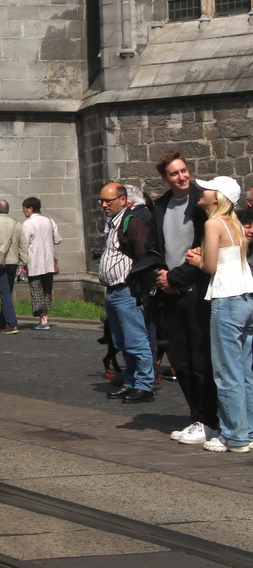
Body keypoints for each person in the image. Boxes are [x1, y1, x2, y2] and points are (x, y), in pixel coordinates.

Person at [147, 151, 219, 446]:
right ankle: (197, 418)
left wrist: (176, 279)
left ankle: (211, 420)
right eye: (175, 173)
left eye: (184, 170)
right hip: (171, 295)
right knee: (181, 361)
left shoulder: (202, 202)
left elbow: (206, 250)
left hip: (197, 292)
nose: (182, 176)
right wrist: (162, 277)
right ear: (165, 178)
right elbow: (153, 249)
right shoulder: (162, 205)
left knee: (202, 359)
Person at [182, 176, 253, 452]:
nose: (201, 190)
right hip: (246, 295)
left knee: (226, 370)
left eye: (207, 188)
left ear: (217, 196)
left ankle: (234, 436)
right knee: (245, 369)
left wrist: (196, 259)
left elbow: (210, 266)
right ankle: (246, 430)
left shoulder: (213, 223)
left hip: (226, 298)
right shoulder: (234, 222)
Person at [97, 183, 154, 403]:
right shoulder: (113, 224)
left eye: (108, 201)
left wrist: (137, 284)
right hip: (113, 292)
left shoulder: (132, 222)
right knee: (123, 342)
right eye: (101, 201)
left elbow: (143, 255)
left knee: (136, 341)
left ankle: (144, 385)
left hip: (127, 291)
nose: (103, 205)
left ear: (123, 200)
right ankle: (130, 381)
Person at [0, 199, 27, 334]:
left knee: (4, 293)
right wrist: (23, 264)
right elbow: (23, 247)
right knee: (7, 292)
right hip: (13, 262)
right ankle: (2, 323)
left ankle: (12, 323)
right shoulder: (17, 224)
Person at [22, 197, 61, 329]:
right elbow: (58, 239)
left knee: (36, 290)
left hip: (35, 262)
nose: (24, 212)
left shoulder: (28, 224)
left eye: (24, 209)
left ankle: (43, 320)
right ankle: (46, 317)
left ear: (30, 209)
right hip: (49, 261)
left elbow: (24, 244)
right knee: (46, 291)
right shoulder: (50, 221)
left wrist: (21, 263)